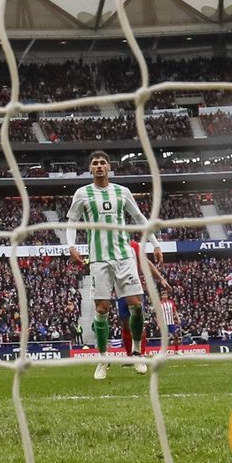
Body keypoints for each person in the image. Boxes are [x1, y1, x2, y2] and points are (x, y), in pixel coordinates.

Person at [67, 151, 152, 379]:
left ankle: (136, 353)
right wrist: (71, 246)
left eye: (103, 162)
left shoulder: (121, 192)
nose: (99, 166)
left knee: (136, 305)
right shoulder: (82, 193)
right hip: (99, 259)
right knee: (102, 309)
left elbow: (139, 217)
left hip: (124, 256)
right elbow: (72, 221)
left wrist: (154, 242)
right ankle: (103, 360)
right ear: (90, 169)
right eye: (95, 163)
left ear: (109, 167)